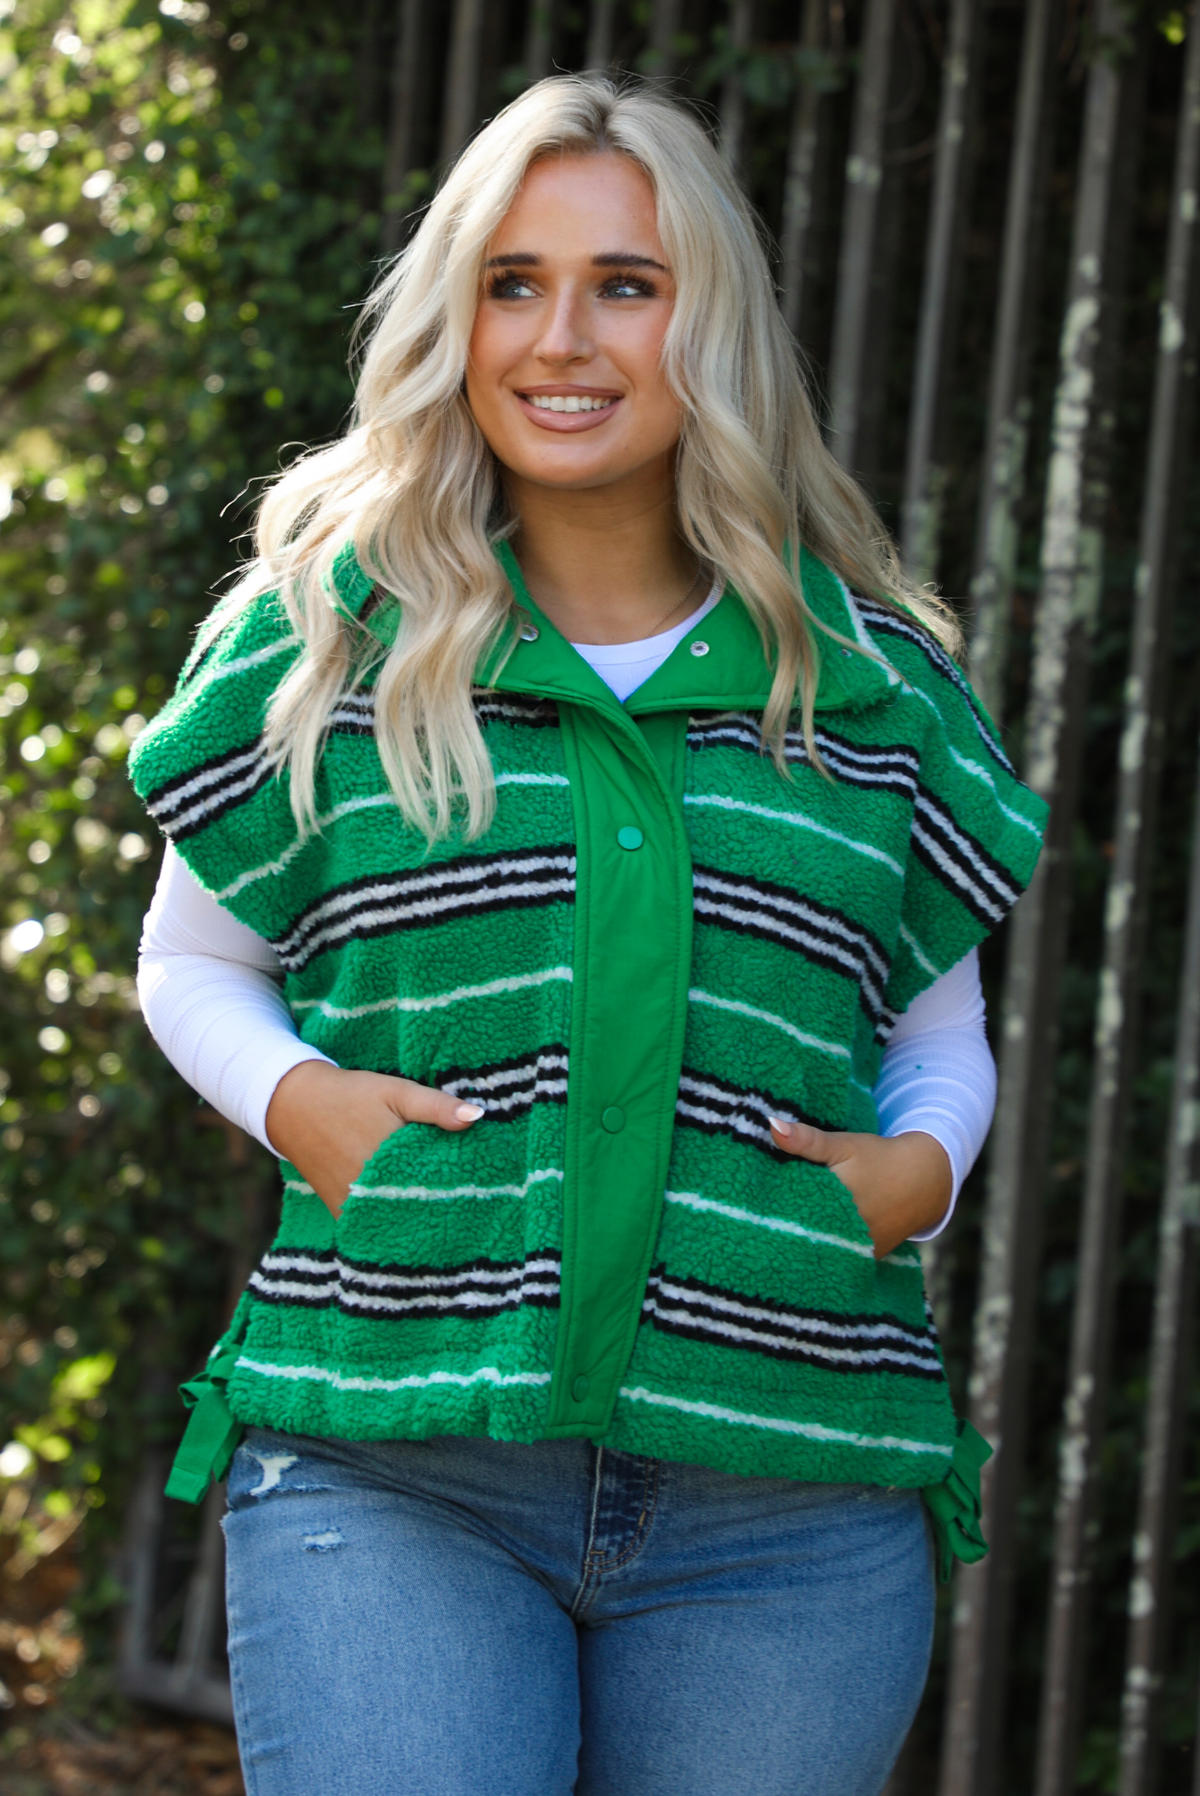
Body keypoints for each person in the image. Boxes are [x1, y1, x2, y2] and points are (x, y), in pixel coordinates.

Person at [130, 75, 1046, 1796]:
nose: (563, 338)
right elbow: (193, 961)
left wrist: (918, 1170)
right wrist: (299, 1105)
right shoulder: (323, 640)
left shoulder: (873, 686)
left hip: (789, 1498)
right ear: (456, 321)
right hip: (395, 1459)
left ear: (712, 325)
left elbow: (934, 1030)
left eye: (627, 284)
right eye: (513, 283)